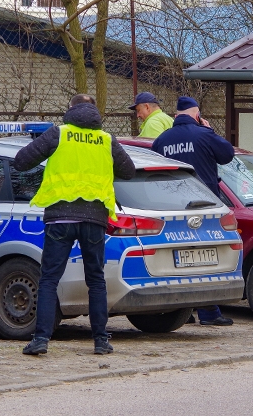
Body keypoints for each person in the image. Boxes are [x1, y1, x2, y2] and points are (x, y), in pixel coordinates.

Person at [14, 94, 136, 356]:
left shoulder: (58, 134)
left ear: (70, 110)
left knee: (48, 280)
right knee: (96, 280)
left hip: (60, 218)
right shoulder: (106, 140)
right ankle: (101, 341)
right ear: (94, 112)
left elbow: (21, 162)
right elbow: (129, 171)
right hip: (94, 219)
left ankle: (41, 340)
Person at [152, 96, 236, 326]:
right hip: (203, 206)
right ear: (196, 114)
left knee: (176, 259)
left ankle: (183, 312)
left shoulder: (162, 140)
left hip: (169, 208)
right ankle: (209, 313)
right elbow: (227, 154)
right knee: (204, 259)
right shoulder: (203, 134)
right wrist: (210, 131)